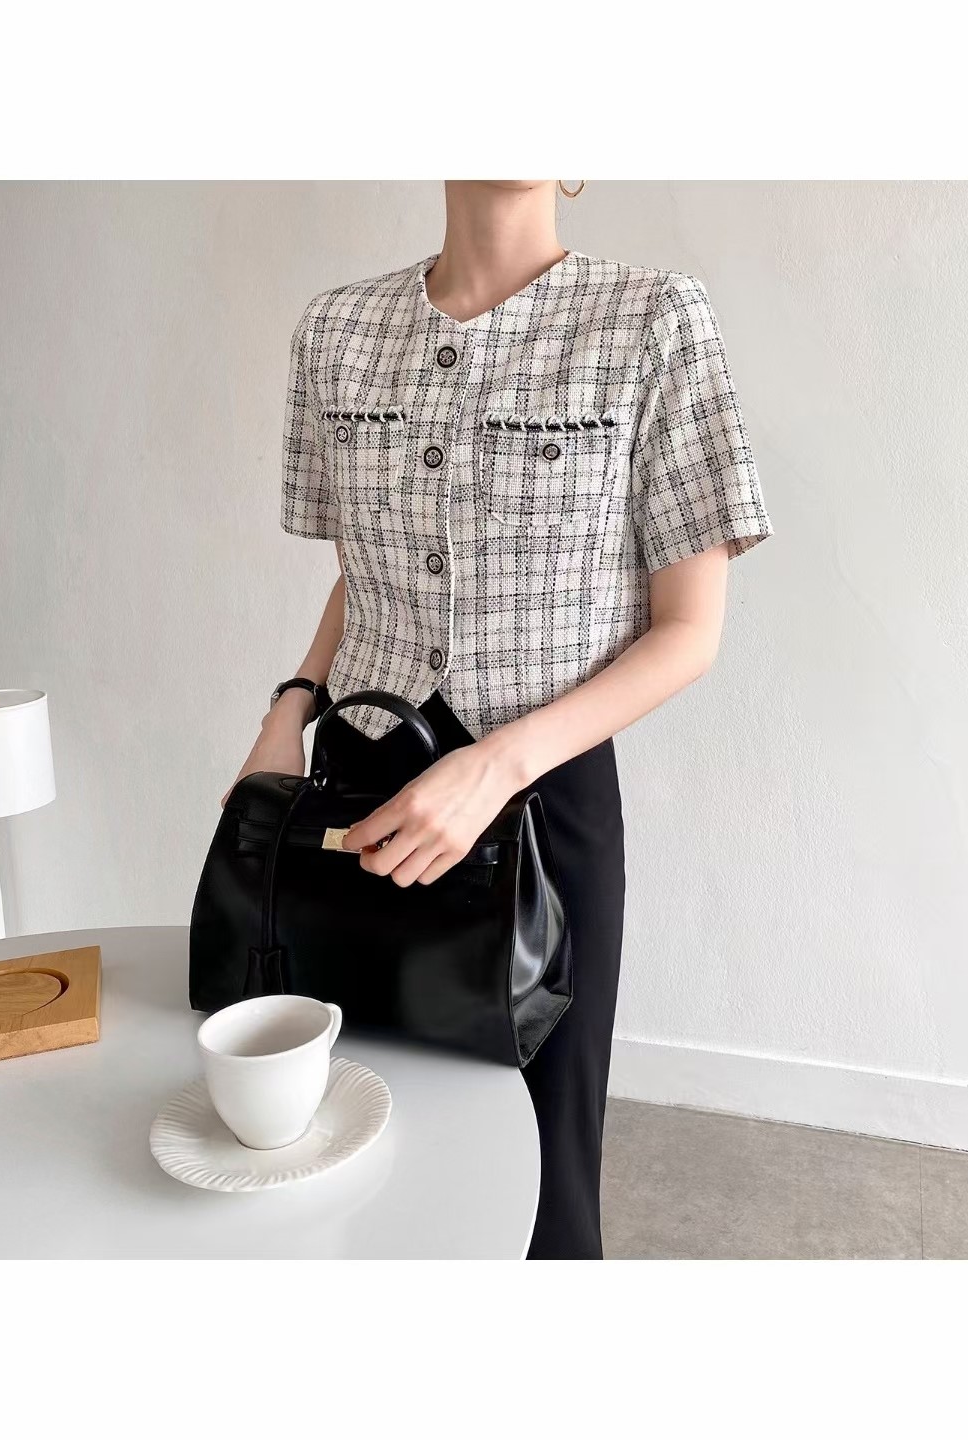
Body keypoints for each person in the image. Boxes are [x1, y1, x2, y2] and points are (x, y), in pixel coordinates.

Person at [225, 179, 775, 1259]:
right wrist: (289, 711)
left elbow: (689, 631)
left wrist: (494, 767)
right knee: (356, 1145)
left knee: (541, 1178)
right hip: (361, 795)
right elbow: (362, 576)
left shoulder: (652, 321)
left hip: (544, 809)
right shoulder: (337, 331)